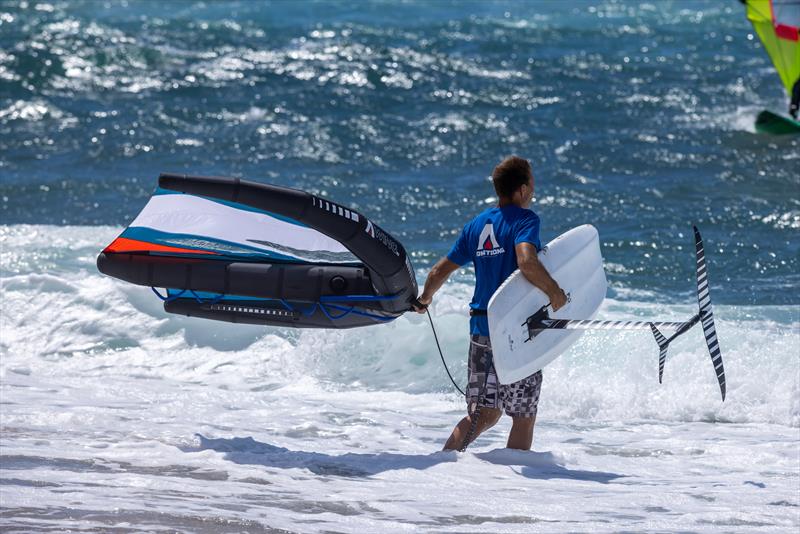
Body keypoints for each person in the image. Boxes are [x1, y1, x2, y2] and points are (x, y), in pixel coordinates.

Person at [413, 155, 567, 451]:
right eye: (531, 184)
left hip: (482, 331)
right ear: (522, 190)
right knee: (522, 416)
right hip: (517, 333)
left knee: (483, 413)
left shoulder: (476, 225)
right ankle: (514, 486)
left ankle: (444, 463)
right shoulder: (525, 219)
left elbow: (438, 270)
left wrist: (424, 300)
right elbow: (526, 261)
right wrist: (554, 292)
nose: (533, 190)